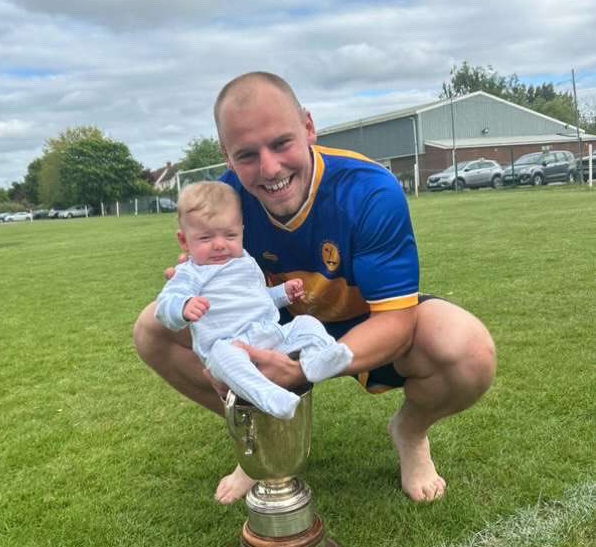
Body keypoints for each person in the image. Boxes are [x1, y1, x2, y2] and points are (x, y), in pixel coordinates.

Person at [134, 72, 496, 504]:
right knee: (152, 328)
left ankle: (411, 432)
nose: (270, 168)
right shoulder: (224, 200)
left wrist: (304, 370)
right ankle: (260, 434)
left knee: (468, 350)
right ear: (226, 156)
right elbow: (201, 275)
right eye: (247, 154)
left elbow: (396, 321)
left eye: (281, 143)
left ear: (308, 127)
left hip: (364, 319)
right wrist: (193, 295)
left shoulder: (368, 189)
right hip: (272, 324)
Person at [153, 180, 353, 420]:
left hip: (269, 335)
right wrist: (183, 306)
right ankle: (270, 396)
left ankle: (319, 359)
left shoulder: (245, 262)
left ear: (242, 231)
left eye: (230, 235)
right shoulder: (190, 273)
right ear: (184, 241)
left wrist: (282, 293)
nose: (220, 245)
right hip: (230, 345)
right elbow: (164, 305)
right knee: (222, 356)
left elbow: (258, 298)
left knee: (306, 323)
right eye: (205, 238)